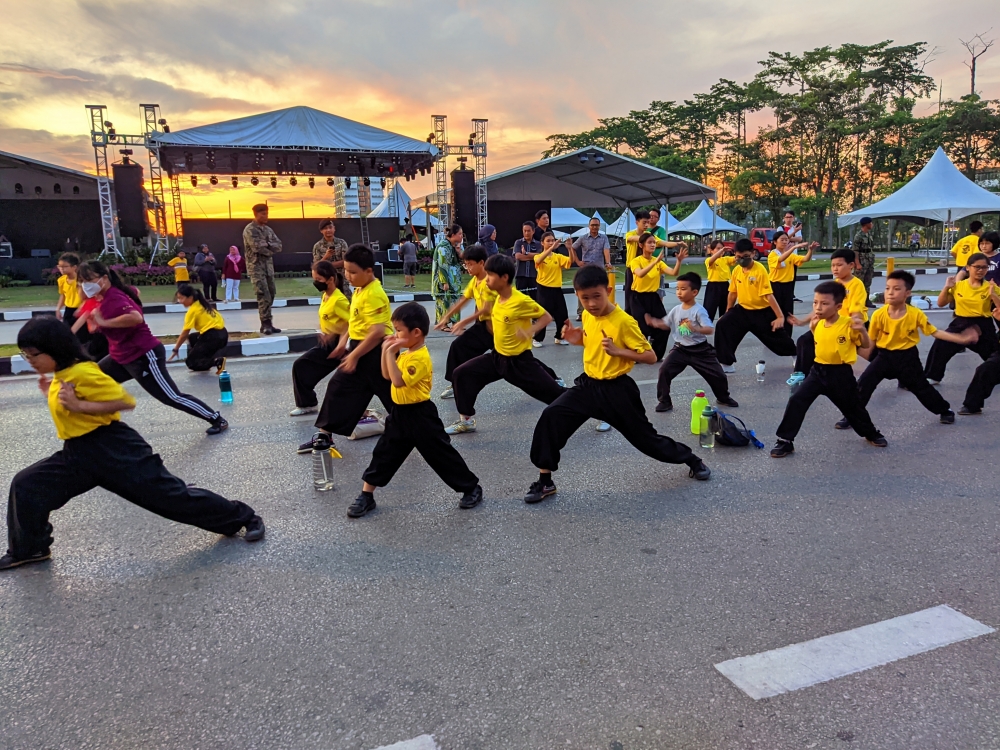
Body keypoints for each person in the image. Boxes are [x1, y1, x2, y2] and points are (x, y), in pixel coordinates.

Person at [1, 317, 263, 570]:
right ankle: (30, 549)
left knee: (172, 498)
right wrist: (55, 396)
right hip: (79, 453)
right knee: (28, 485)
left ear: (54, 349)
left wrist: (78, 405)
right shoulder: (62, 374)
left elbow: (124, 402)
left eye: (34, 354)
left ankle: (243, 517)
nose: (30, 361)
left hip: (114, 449)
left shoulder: (83, 372)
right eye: (26, 355)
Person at [524, 265, 711, 504]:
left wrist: (618, 351)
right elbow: (590, 342)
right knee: (551, 417)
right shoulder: (589, 315)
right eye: (585, 298)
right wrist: (577, 339)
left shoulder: (624, 322)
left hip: (617, 391)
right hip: (587, 386)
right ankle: (545, 480)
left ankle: (692, 460)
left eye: (596, 297)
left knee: (646, 440)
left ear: (609, 290)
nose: (591, 303)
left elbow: (650, 356)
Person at [350, 303, 484, 518]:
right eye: (394, 330)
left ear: (416, 333)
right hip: (400, 414)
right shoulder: (405, 353)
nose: (396, 335)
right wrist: (388, 352)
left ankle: (471, 488)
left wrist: (390, 350)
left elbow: (398, 381)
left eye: (399, 331)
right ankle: (367, 495)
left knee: (441, 454)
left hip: (421, 415)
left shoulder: (419, 358)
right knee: (384, 453)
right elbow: (386, 375)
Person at [75, 260, 229, 435]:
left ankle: (216, 418)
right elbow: (133, 292)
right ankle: (100, 428)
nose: (85, 285)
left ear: (104, 278)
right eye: (82, 281)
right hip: (120, 356)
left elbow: (135, 317)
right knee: (91, 381)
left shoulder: (114, 297)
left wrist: (104, 322)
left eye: (88, 280)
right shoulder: (101, 297)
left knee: (171, 397)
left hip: (144, 356)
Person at [836, 270, 978, 430]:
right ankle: (851, 416)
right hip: (884, 357)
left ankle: (945, 410)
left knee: (921, 388)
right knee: (863, 385)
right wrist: (852, 354)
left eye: (896, 289)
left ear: (907, 293)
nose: (890, 292)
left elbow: (935, 332)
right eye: (888, 288)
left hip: (907, 358)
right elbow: (871, 342)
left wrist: (962, 339)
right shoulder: (878, 314)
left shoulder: (915, 314)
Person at [445, 254, 564, 435]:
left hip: (519, 363)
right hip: (497, 358)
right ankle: (466, 421)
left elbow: (546, 316)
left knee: (556, 395)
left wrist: (530, 331)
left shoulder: (520, 301)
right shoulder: (497, 298)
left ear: (504, 278)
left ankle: (593, 409)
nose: (487, 279)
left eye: (490, 275)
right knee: (462, 374)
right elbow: (485, 310)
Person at [770, 282, 888, 458]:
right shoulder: (817, 323)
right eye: (815, 302)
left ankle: (871, 433)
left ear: (838, 306)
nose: (818, 307)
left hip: (840, 374)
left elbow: (864, 345)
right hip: (817, 372)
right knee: (797, 400)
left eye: (824, 304)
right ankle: (785, 441)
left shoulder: (848, 324)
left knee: (853, 407)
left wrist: (862, 331)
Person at [299, 245, 394, 454]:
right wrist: (344, 343)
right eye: (345, 270)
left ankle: (423, 434)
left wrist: (354, 356)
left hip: (378, 352)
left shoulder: (374, 294)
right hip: (363, 348)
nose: (347, 276)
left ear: (369, 271)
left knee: (397, 401)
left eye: (353, 272)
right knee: (338, 387)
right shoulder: (360, 290)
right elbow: (355, 321)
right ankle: (324, 435)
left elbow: (377, 331)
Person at [645, 272, 737, 412]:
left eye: (683, 289)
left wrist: (696, 328)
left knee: (718, 375)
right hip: (680, 349)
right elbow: (666, 323)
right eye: (677, 289)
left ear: (694, 292)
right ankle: (664, 401)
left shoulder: (699, 311)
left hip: (700, 350)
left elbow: (709, 329)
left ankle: (723, 397)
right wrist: (655, 322)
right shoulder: (676, 310)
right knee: (664, 371)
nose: (679, 292)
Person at [713, 238, 796, 372]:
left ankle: (796, 354)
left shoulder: (759, 270)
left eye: (745, 256)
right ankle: (726, 364)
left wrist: (780, 316)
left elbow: (769, 295)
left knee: (778, 338)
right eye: (738, 257)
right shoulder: (737, 271)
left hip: (761, 311)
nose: (741, 260)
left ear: (752, 254)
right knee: (723, 325)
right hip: (743, 310)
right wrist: (728, 311)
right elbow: (732, 293)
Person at [790, 248, 869, 379]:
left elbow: (856, 310)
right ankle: (802, 375)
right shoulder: (835, 284)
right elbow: (820, 308)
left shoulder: (856, 285)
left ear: (851, 265)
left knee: (877, 355)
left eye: (839, 265)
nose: (835, 269)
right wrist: (802, 321)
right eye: (833, 265)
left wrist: (856, 324)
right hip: (832, 324)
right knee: (805, 341)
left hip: (849, 326)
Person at [923, 253, 999, 383]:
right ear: (968, 268)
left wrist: (993, 295)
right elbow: (941, 303)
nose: (980, 270)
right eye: (977, 267)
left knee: (994, 356)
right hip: (960, 323)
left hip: (983, 325)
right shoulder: (959, 285)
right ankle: (933, 375)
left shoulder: (991, 287)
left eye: (984, 267)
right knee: (940, 345)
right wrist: (947, 287)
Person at [433, 244, 496, 400]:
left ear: (481, 263)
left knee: (520, 361)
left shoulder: (490, 281)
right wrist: (446, 317)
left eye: (470, 264)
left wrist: (463, 322)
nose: (467, 268)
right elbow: (464, 300)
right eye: (465, 264)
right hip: (483, 327)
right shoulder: (475, 280)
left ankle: (553, 379)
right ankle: (455, 384)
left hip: (498, 329)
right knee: (458, 347)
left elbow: (487, 309)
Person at [288, 261, 350, 416]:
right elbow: (331, 319)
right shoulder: (326, 296)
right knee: (302, 366)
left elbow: (351, 324)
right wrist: (324, 331)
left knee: (302, 366)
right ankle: (307, 403)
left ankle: (309, 405)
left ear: (330, 279)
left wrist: (340, 343)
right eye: (314, 278)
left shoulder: (339, 300)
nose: (315, 282)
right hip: (328, 342)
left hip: (338, 346)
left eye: (318, 279)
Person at [628, 232, 688, 361]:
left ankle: (656, 354)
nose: (653, 245)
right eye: (649, 242)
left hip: (653, 297)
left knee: (664, 326)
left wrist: (679, 261)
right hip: (638, 298)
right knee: (641, 328)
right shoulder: (636, 261)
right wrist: (655, 261)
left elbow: (673, 272)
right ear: (641, 245)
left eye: (654, 242)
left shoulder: (658, 263)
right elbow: (640, 274)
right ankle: (638, 354)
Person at [624, 210, 682, 315]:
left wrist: (678, 243)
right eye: (644, 222)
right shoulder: (630, 234)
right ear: (637, 222)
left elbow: (663, 242)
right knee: (630, 297)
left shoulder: (649, 235)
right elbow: (635, 238)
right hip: (633, 269)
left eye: (648, 222)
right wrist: (648, 239)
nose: (647, 225)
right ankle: (630, 319)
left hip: (648, 265)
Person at [168, 284, 229, 373]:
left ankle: (216, 361)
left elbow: (184, 333)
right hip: (222, 334)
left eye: (181, 298)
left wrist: (176, 349)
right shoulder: (203, 304)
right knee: (193, 337)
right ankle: (203, 359)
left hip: (213, 337)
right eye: (178, 298)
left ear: (190, 297)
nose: (180, 301)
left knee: (191, 362)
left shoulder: (193, 310)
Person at [243, 203, 283, 335]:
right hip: (256, 268)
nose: (266, 216)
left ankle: (268, 323)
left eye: (267, 213)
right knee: (263, 294)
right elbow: (257, 247)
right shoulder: (250, 230)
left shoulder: (268, 230)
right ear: (256, 214)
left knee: (271, 293)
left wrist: (268, 244)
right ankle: (265, 323)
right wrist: (269, 247)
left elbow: (279, 246)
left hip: (268, 268)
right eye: (263, 214)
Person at [768, 232, 818, 334]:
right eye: (782, 240)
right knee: (776, 311)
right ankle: (775, 333)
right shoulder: (772, 254)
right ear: (775, 242)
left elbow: (805, 259)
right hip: (775, 286)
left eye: (786, 240)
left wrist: (810, 250)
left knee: (788, 311)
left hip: (788, 286)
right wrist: (794, 248)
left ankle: (787, 333)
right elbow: (780, 259)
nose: (785, 242)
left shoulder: (790, 256)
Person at [533, 231, 575, 345]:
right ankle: (537, 338)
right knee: (543, 315)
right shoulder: (539, 256)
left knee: (562, 314)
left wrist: (570, 248)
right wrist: (551, 248)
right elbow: (538, 261)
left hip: (556, 289)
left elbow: (570, 261)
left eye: (552, 240)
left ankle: (559, 337)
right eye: (548, 241)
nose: (551, 242)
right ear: (542, 243)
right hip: (543, 289)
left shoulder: (558, 257)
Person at [572, 217, 612, 319]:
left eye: (596, 225)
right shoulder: (583, 238)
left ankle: (601, 310)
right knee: (583, 289)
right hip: (586, 269)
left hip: (599, 269)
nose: (594, 227)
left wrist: (608, 262)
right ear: (589, 226)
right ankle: (581, 313)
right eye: (592, 225)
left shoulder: (604, 238)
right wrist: (577, 261)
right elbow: (572, 248)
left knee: (600, 290)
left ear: (599, 226)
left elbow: (606, 250)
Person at [433, 224, 464, 328]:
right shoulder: (443, 247)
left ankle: (455, 323)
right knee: (443, 301)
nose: (461, 236)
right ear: (453, 234)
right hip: (444, 280)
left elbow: (462, 260)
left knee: (455, 300)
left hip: (454, 281)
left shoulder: (453, 246)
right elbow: (442, 265)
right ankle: (443, 324)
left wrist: (459, 251)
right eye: (459, 234)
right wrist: (444, 281)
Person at [55, 252, 87, 344]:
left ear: (74, 267)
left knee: (81, 335)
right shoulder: (61, 280)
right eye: (60, 266)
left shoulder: (80, 279)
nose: (62, 269)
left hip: (80, 309)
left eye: (65, 266)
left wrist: (82, 308)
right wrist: (58, 308)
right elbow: (63, 295)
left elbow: (85, 296)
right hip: (69, 310)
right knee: (67, 334)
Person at [313, 218, 351, 297]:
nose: (328, 230)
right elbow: (316, 266)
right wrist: (326, 256)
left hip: (342, 280)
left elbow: (346, 262)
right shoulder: (317, 246)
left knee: (347, 303)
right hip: (326, 282)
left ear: (334, 229)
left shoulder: (342, 243)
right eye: (325, 228)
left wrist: (327, 265)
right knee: (330, 305)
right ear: (321, 231)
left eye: (330, 227)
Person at [704, 240, 736, 321]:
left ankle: (723, 329)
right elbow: (711, 261)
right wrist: (721, 251)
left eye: (722, 248)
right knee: (709, 310)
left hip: (725, 286)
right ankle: (705, 329)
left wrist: (737, 250)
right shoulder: (709, 260)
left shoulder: (725, 259)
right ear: (711, 250)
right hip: (713, 287)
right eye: (718, 248)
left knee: (725, 311)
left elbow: (736, 258)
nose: (721, 250)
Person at [513, 220, 541, 301]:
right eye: (524, 231)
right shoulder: (518, 242)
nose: (526, 233)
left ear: (533, 231)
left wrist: (526, 254)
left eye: (528, 231)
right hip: (520, 275)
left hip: (534, 275)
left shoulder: (538, 244)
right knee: (520, 299)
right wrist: (534, 256)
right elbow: (518, 256)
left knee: (535, 299)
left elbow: (541, 256)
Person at [852, 217, 876, 306]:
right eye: (870, 223)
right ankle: (857, 301)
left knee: (868, 281)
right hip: (862, 260)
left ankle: (866, 300)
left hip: (869, 260)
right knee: (859, 282)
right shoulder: (859, 236)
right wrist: (857, 263)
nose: (872, 224)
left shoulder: (869, 234)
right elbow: (855, 251)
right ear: (866, 224)